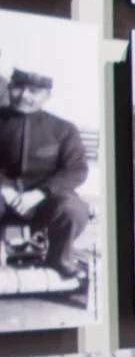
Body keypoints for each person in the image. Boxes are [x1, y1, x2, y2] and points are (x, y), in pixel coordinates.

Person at [0, 69, 91, 280]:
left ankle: (60, 258)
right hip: (3, 197)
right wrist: (4, 187)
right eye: (18, 88)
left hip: (45, 199)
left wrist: (41, 192)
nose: (24, 95)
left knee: (74, 209)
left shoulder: (63, 129)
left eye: (33, 91)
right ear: (9, 88)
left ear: (47, 96)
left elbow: (76, 169)